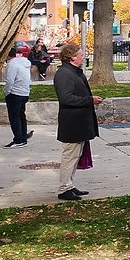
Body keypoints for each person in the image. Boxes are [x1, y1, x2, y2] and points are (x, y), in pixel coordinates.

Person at [53, 42, 101, 201]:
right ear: (72, 57)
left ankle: (69, 185)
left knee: (76, 155)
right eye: (81, 55)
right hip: (72, 122)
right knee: (70, 155)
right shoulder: (64, 74)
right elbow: (66, 98)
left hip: (79, 121)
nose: (83, 57)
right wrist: (89, 100)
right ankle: (64, 188)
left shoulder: (75, 72)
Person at [3, 46, 34, 148]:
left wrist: (6, 92)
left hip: (15, 93)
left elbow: (10, 80)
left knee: (14, 117)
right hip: (24, 93)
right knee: (21, 116)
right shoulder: (24, 63)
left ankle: (18, 139)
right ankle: (23, 137)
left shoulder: (11, 64)